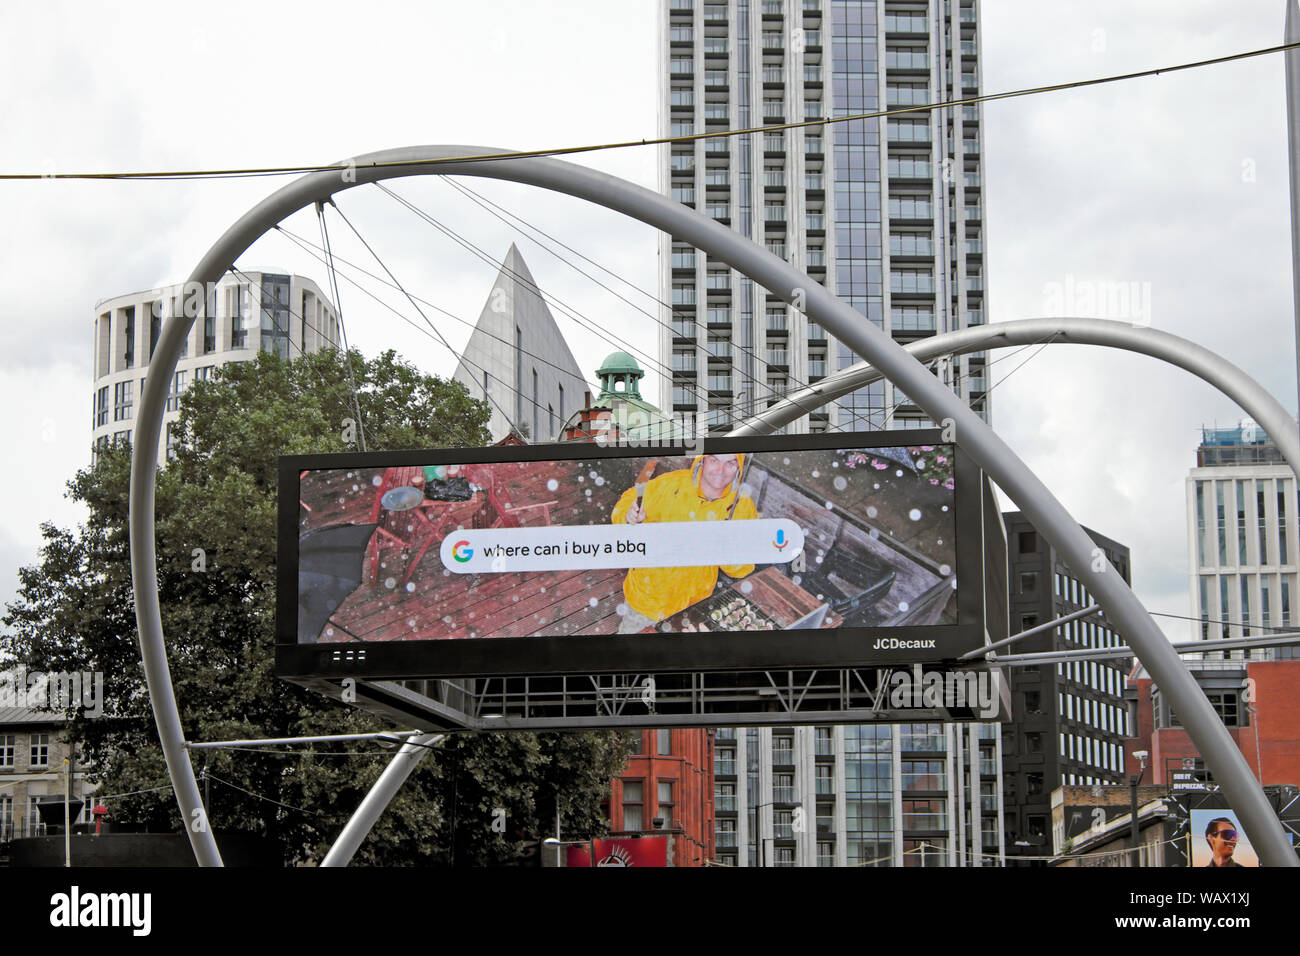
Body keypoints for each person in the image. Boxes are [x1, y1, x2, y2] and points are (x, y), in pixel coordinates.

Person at [611, 453, 757, 633]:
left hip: (692, 606)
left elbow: (745, 567)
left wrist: (725, 550)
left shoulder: (742, 505)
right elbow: (626, 502)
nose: (720, 471)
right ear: (703, 459)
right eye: (714, 460)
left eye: (730, 463)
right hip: (647, 600)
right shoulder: (671, 484)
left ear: (739, 467)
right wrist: (629, 516)